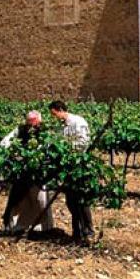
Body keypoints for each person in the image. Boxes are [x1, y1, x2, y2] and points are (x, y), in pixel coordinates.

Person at [0, 110, 54, 234]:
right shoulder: (20, 130)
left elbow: (48, 147)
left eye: (34, 124)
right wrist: (15, 153)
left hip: (39, 172)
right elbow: (4, 142)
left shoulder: (45, 132)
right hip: (22, 172)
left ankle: (44, 228)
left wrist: (39, 156)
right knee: (18, 199)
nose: (31, 127)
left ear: (39, 122)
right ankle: (17, 226)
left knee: (41, 200)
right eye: (29, 124)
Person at [49, 100, 95, 242]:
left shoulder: (78, 122)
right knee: (71, 201)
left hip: (79, 166)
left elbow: (84, 143)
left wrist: (66, 148)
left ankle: (88, 231)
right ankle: (77, 232)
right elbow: (56, 142)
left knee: (81, 200)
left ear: (61, 109)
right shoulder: (60, 126)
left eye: (54, 114)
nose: (54, 117)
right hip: (68, 167)